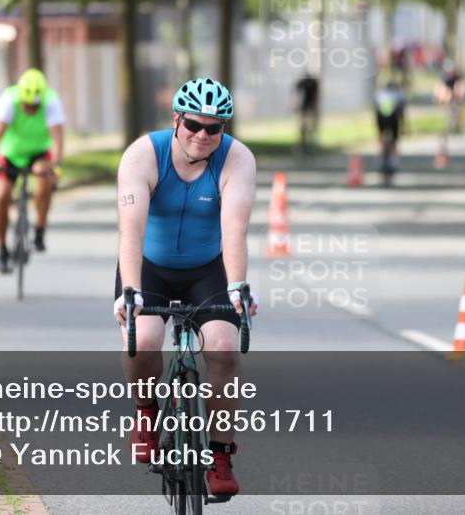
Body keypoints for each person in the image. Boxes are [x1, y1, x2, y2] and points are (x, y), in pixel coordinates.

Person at [113, 77, 258, 497]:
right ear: (176, 119)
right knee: (144, 339)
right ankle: (145, 412)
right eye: (194, 124)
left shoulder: (237, 160)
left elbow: (234, 230)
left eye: (214, 128)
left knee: (224, 347)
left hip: (207, 268)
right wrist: (132, 291)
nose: (202, 135)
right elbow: (130, 233)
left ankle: (220, 454)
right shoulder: (143, 155)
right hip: (148, 266)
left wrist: (238, 287)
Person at [0, 68, 64, 274]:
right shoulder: (9, 100)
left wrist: (53, 166)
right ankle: (2, 249)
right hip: (11, 153)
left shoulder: (51, 102)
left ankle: (39, 230)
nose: (30, 109)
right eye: (27, 105)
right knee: (1, 195)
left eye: (34, 106)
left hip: (39, 153)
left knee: (44, 180)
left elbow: (57, 142)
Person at [433, 60, 465, 169]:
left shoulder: (457, 78)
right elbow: (439, 88)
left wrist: (459, 98)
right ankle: (442, 155)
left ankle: (456, 124)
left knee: (451, 120)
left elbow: (460, 89)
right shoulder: (443, 78)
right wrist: (439, 97)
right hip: (446, 101)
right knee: (443, 131)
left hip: (454, 102)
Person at [374, 78, 406, 177]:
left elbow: (376, 109)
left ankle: (380, 162)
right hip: (393, 118)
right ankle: (394, 162)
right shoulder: (398, 94)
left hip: (381, 118)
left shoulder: (379, 94)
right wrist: (404, 126)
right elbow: (401, 112)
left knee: (381, 139)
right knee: (394, 141)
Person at [294, 71, 320, 155]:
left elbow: (297, 89)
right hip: (308, 108)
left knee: (307, 128)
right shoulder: (313, 83)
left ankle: (307, 146)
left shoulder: (309, 83)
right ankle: (306, 146)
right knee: (307, 129)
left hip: (308, 108)